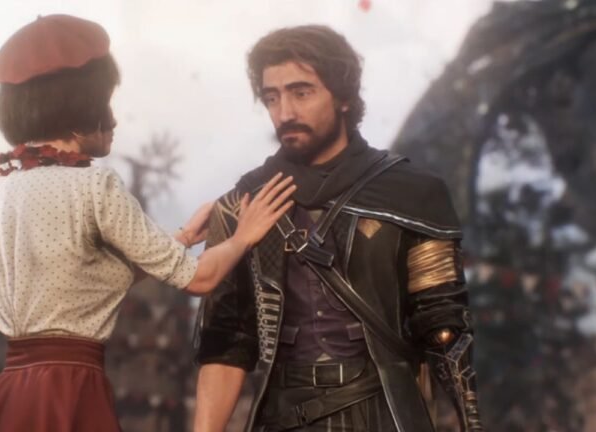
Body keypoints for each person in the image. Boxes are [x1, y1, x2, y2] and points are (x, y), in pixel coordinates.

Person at [0, 15, 295, 432]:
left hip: (13, 391)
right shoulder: (93, 184)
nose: (114, 120)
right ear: (78, 107)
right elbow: (200, 280)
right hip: (70, 390)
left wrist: (182, 238)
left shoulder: (5, 195)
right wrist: (244, 236)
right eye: (105, 102)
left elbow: (83, 286)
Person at [194, 25, 483, 432]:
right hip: (282, 417)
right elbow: (225, 344)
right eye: (272, 98)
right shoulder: (245, 202)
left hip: (384, 415)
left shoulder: (411, 194)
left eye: (302, 93)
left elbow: (444, 330)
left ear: (344, 96)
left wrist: (471, 424)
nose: (285, 112)